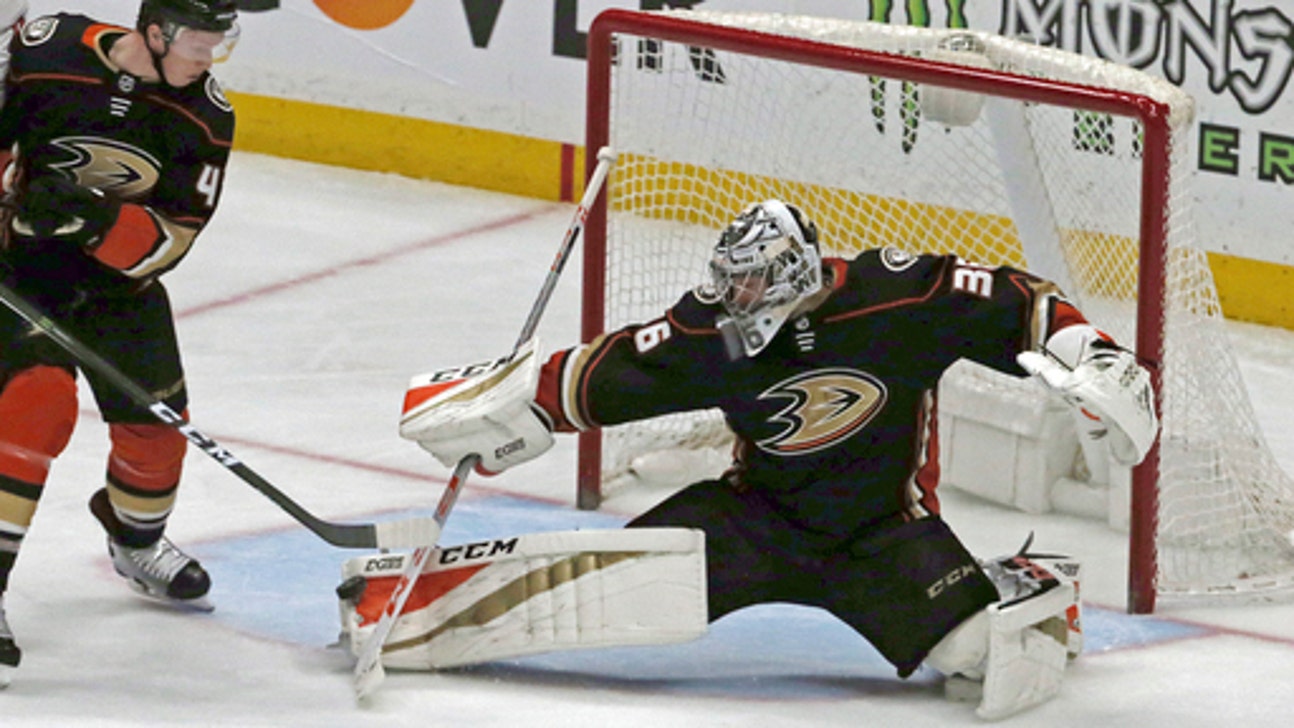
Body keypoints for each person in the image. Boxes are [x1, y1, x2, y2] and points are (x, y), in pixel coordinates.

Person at [398, 199, 1159, 718]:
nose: (736, 295)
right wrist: (515, 403)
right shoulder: (718, 332)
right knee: (607, 582)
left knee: (985, 664)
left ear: (795, 271)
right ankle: (419, 608)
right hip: (752, 520)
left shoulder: (894, 299)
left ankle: (1032, 592)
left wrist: (1091, 355)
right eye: (729, 279)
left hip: (884, 535)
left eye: (753, 280)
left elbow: (1017, 300)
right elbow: (623, 367)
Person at [0, 0, 239, 684]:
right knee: (34, 403)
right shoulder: (48, 48)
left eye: (221, 42)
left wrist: (93, 220)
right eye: (199, 39)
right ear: (155, 31)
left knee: (157, 434)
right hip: (15, 272)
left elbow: (175, 241)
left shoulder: (207, 115)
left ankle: (136, 544)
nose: (210, 56)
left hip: (113, 285)